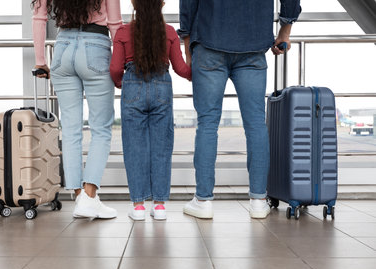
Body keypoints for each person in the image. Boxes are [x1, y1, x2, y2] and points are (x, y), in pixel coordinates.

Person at [178, 0, 301, 219]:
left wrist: (187, 43)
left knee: (207, 124)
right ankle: (258, 200)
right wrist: (285, 28)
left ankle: (203, 201)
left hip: (208, 40)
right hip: (253, 43)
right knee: (255, 124)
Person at [32, 0, 122, 219]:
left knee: (71, 130)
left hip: (62, 48)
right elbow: (115, 24)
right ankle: (89, 198)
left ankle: (79, 195)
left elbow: (39, 18)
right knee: (100, 129)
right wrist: (121, 62)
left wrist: (40, 61)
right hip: (96, 46)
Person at [110, 0, 191, 220]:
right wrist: (197, 74)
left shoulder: (123, 32)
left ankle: (138, 207)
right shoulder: (169, 32)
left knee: (134, 147)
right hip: (162, 88)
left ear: (134, 5)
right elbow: (181, 69)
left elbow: (116, 68)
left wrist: (121, 83)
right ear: (162, 5)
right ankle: (160, 206)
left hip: (132, 88)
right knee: (161, 147)